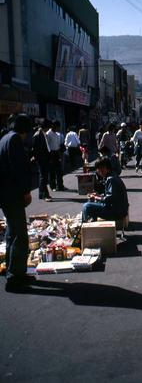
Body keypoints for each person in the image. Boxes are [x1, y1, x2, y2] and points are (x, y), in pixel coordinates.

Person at [0, 114, 33, 292]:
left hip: (5, 195)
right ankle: (15, 276)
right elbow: (18, 168)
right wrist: (26, 191)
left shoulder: (4, 137)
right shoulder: (14, 140)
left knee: (12, 233)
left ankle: (12, 271)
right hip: (12, 195)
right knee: (20, 235)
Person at [82, 157, 129, 222]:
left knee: (86, 206)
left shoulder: (111, 179)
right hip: (119, 209)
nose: (98, 171)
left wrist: (96, 197)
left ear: (104, 168)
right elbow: (110, 196)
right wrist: (98, 195)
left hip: (117, 212)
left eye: (99, 168)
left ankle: (85, 226)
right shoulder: (112, 176)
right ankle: (92, 221)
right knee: (92, 201)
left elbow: (109, 199)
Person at [31, 118, 52, 201]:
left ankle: (41, 194)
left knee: (43, 176)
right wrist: (38, 158)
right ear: (45, 126)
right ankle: (45, 195)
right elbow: (35, 149)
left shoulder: (43, 134)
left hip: (45, 158)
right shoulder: (37, 135)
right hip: (42, 159)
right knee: (43, 177)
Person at [46, 120, 66, 191]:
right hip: (51, 154)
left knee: (59, 171)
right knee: (52, 172)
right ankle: (53, 186)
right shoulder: (48, 134)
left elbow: (58, 145)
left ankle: (60, 185)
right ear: (54, 126)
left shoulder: (57, 134)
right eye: (58, 127)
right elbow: (47, 146)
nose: (59, 128)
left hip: (57, 153)